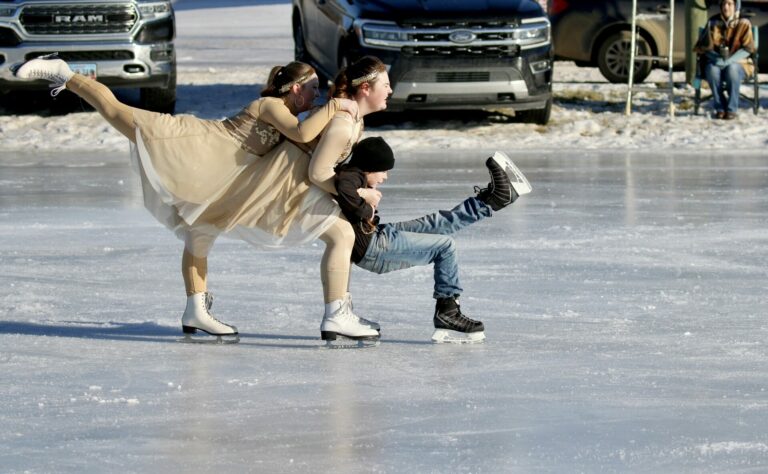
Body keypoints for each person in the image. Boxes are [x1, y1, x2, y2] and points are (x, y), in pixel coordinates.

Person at [14, 54, 391, 343]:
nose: (316, 95)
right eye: (311, 89)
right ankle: (65, 73)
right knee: (119, 113)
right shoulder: (274, 107)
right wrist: (338, 105)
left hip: (222, 173)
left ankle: (196, 308)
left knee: (200, 229)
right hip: (195, 146)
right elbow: (306, 131)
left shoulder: (296, 116)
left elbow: (311, 150)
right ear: (295, 89)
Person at [334, 137, 529, 343]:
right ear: (369, 167)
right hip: (373, 249)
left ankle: (494, 199)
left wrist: (365, 197)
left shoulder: (355, 175)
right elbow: (345, 189)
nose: (386, 177)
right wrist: (368, 204)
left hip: (378, 235)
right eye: (383, 171)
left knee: (434, 224)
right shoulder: (352, 176)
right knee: (445, 246)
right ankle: (448, 311)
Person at [694, 0, 755, 120]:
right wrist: (715, 58)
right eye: (723, 4)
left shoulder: (744, 23)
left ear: (736, 5)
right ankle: (720, 107)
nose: (726, 7)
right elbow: (704, 47)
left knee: (732, 69)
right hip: (716, 62)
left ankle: (732, 109)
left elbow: (748, 49)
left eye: (729, 4)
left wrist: (729, 60)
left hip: (739, 63)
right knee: (711, 69)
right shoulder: (713, 22)